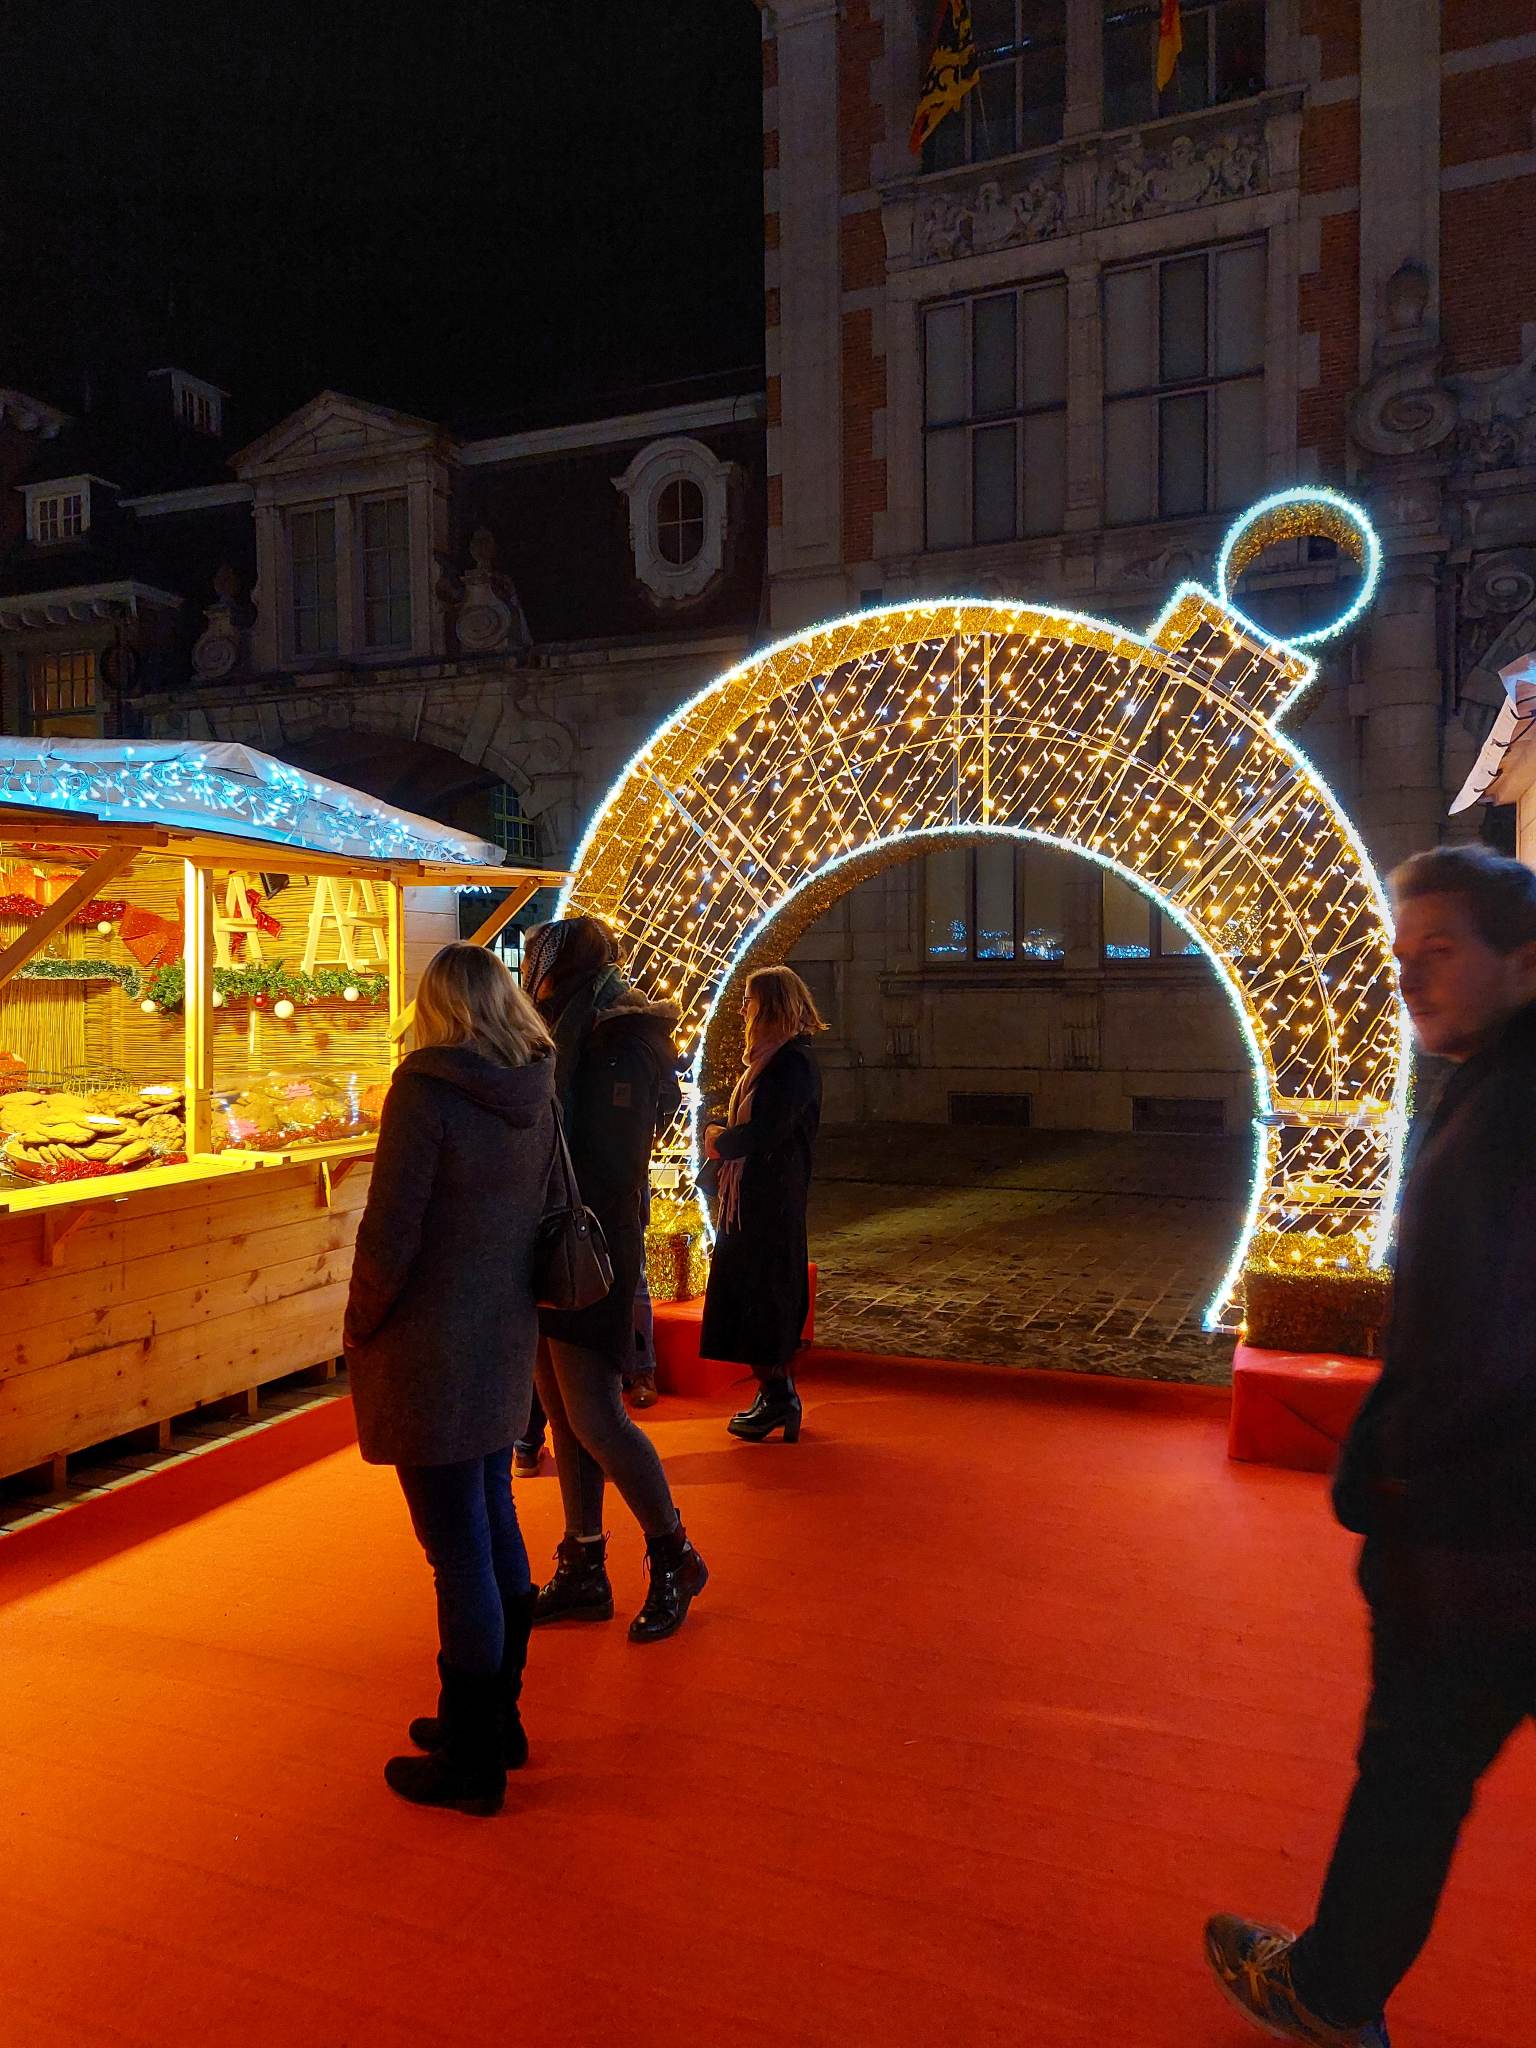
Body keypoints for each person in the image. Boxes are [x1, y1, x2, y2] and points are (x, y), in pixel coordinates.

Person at [1205, 844, 1536, 2047]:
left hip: (1475, 1536)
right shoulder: (1493, 1074)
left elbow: (1486, 1341)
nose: (1407, 981)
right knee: (1417, 1772)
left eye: (1437, 952)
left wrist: (1397, 1477)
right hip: (1482, 1523)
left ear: (1523, 959)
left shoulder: (1513, 1101)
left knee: (1412, 1768)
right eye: (1399, 958)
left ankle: (1332, 1991)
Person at [344, 943, 556, 1816]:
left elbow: (390, 1233)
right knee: (493, 1521)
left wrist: (360, 1320)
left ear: (434, 1007)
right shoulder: (536, 1088)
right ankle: (493, 1718)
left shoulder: (426, 1092)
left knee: (455, 1550)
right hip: (502, 1334)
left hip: (430, 1347)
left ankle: (471, 1761)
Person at [520, 914, 708, 1642]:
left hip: (587, 1246)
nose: (534, 974)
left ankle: (675, 1554)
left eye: (542, 961)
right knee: (563, 1415)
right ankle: (585, 1563)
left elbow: (611, 1162)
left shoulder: (616, 1041)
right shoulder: (564, 1032)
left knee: (596, 1414)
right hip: (545, 1241)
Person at [701, 964, 825, 1443]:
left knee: (765, 1294)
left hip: (769, 1202)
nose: (743, 1011)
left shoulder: (791, 1063)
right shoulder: (770, 1059)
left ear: (770, 1006)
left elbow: (768, 1129)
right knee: (752, 1294)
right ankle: (773, 1392)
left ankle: (779, 1396)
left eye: (750, 1001)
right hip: (753, 1198)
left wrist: (720, 1142)